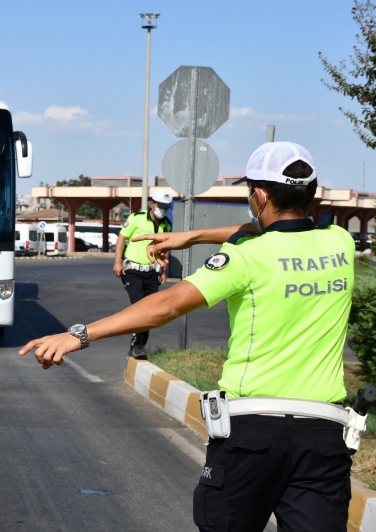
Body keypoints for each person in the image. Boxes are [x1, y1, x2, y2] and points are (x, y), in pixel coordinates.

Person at [20, 142, 355, 532]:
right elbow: (267, 230)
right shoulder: (339, 244)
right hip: (324, 437)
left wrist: (80, 334)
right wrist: (191, 237)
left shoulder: (246, 258)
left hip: (253, 434)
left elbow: (168, 305)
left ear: (259, 196)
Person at [113, 190, 173, 359]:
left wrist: (163, 271)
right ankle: (136, 345)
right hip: (132, 270)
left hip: (152, 272)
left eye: (166, 207)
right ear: (152, 204)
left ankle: (139, 345)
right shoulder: (136, 218)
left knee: (151, 310)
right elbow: (121, 239)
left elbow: (165, 249)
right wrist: (118, 262)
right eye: (161, 206)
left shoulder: (166, 224)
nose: (163, 210)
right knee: (140, 307)